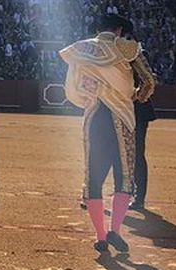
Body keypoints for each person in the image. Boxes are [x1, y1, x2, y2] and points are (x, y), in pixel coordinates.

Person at [60, 28, 148, 253]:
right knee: (124, 175)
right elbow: (148, 83)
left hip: (95, 117)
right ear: (118, 31)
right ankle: (115, 231)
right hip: (122, 116)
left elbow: (72, 90)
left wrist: (92, 94)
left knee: (93, 178)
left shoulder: (80, 49)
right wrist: (136, 94)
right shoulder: (126, 48)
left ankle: (100, 236)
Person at [104, 13, 158, 210]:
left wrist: (136, 97)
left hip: (133, 109)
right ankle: (127, 193)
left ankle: (136, 195)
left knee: (132, 153)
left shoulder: (131, 49)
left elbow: (148, 79)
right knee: (121, 152)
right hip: (122, 106)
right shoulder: (122, 49)